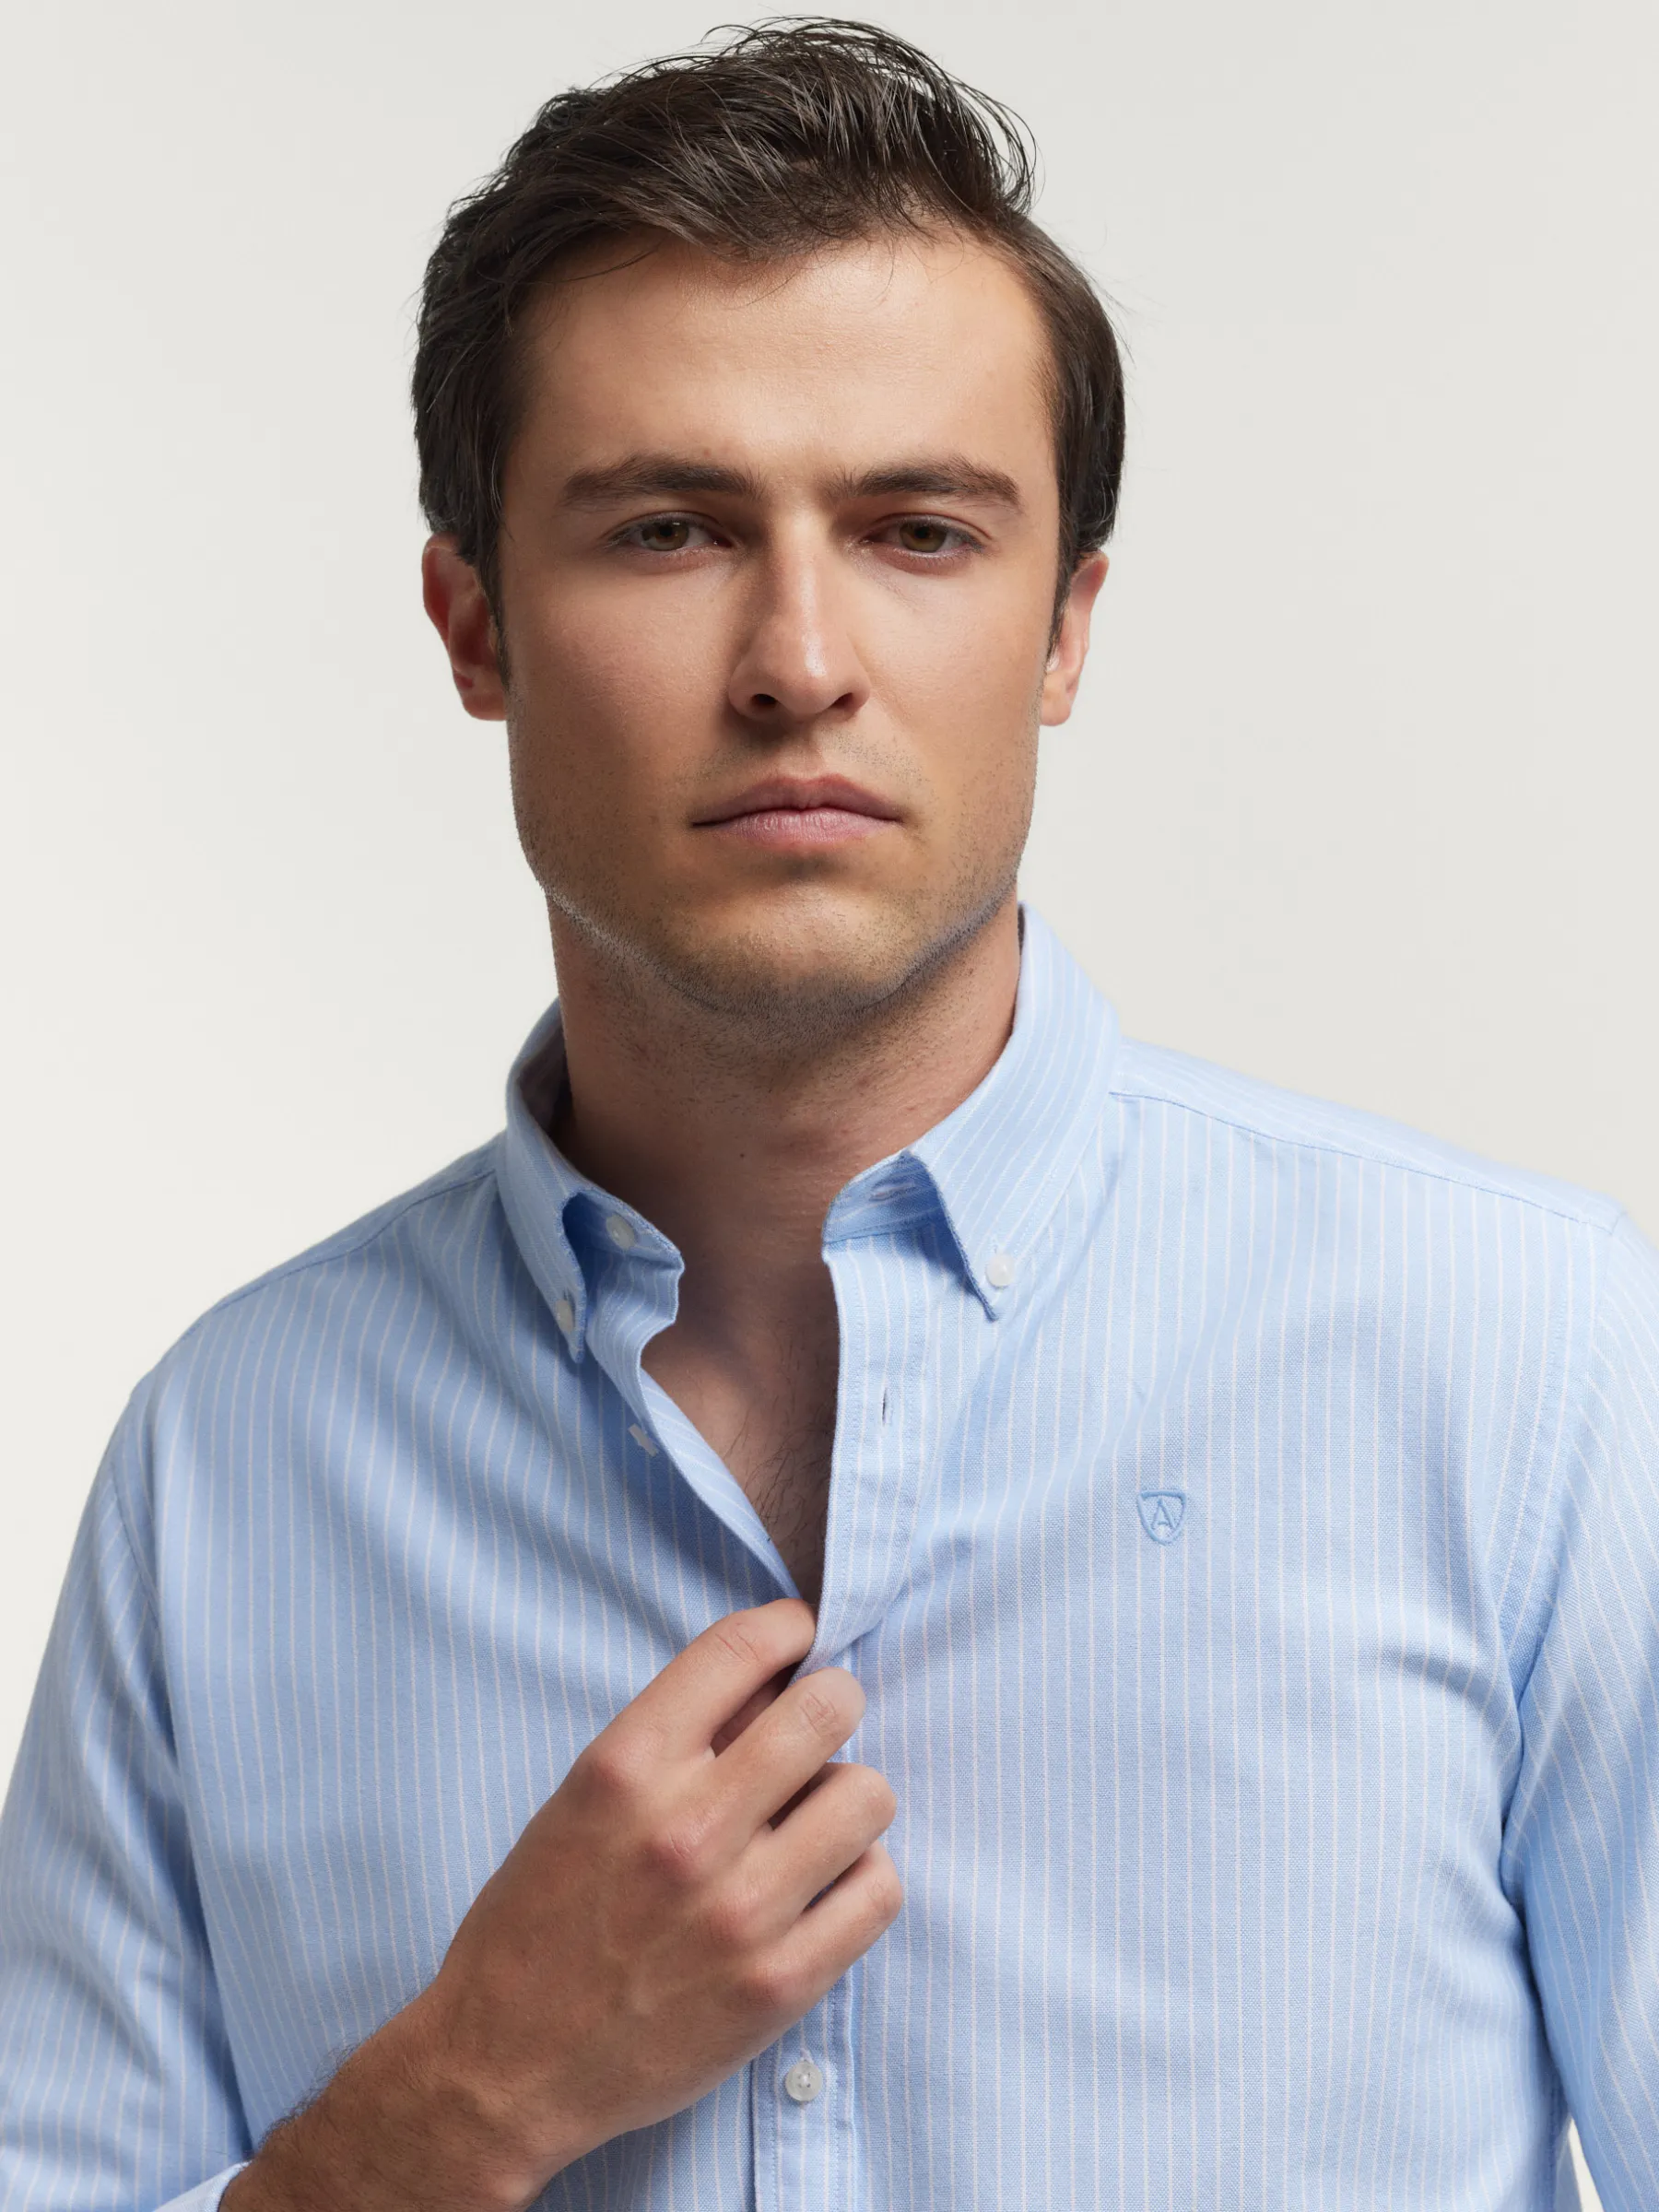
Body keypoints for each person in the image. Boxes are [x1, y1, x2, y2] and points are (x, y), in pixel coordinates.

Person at [2, 18, 1655, 2210]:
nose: (798, 658)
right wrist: (452, 2112)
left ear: (1065, 631)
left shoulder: (1535, 1375)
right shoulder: (225, 1470)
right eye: (669, 530)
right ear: (474, 626)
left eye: (919, 531)